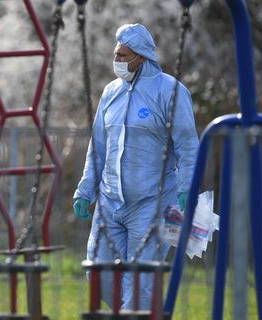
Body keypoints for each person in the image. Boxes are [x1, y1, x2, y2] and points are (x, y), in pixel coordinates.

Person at [72, 23, 199, 310]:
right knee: (97, 272)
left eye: (122, 55)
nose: (116, 61)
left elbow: (188, 146)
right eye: (115, 54)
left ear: (140, 56)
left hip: (153, 205)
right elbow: (98, 147)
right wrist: (85, 191)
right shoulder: (110, 93)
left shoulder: (170, 91)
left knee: (142, 285)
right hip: (110, 202)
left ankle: (137, 312)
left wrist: (187, 189)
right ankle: (135, 313)